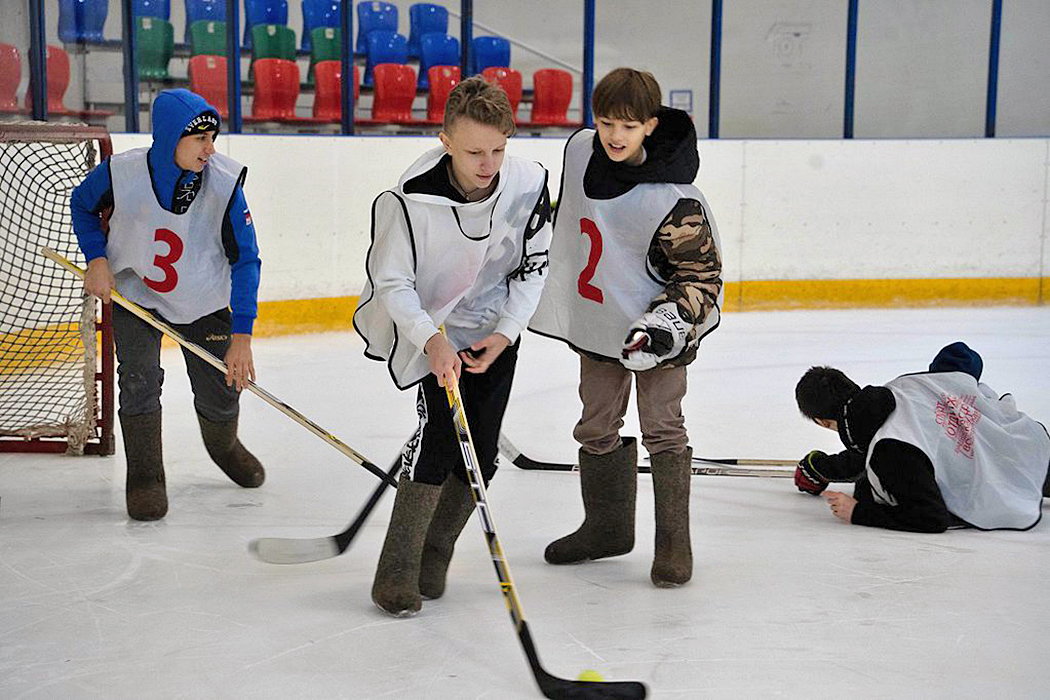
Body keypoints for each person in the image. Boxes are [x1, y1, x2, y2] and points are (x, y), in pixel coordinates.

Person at [352, 76, 552, 617]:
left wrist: (506, 332)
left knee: (482, 454)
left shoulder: (528, 183)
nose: (488, 164)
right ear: (444, 139)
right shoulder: (410, 197)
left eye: (498, 149)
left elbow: (535, 264)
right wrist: (430, 338)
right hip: (432, 326)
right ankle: (396, 570)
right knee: (439, 443)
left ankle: (435, 554)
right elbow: (392, 282)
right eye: (473, 152)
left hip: (493, 330)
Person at [528, 68, 723, 587]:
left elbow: (702, 279)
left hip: (658, 337)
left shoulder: (676, 200)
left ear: (651, 127)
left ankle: (673, 545)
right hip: (598, 328)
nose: (615, 136)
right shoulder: (578, 152)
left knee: (663, 428)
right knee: (595, 426)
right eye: (607, 122)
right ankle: (606, 529)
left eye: (629, 126)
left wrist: (665, 325)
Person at [71, 88, 264, 522]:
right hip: (137, 295)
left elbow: (247, 259)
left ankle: (224, 447)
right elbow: (82, 205)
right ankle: (145, 477)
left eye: (213, 138)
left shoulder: (225, 184)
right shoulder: (121, 172)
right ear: (170, 136)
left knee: (220, 389)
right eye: (200, 139)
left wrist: (242, 335)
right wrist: (97, 259)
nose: (210, 149)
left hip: (204, 300)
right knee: (138, 380)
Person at [794, 342, 1050, 532]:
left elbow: (930, 517)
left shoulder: (888, 451)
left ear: (824, 422)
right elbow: (959, 362)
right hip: (1024, 441)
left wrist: (858, 512)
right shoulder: (902, 387)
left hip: (1002, 479)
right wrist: (822, 468)